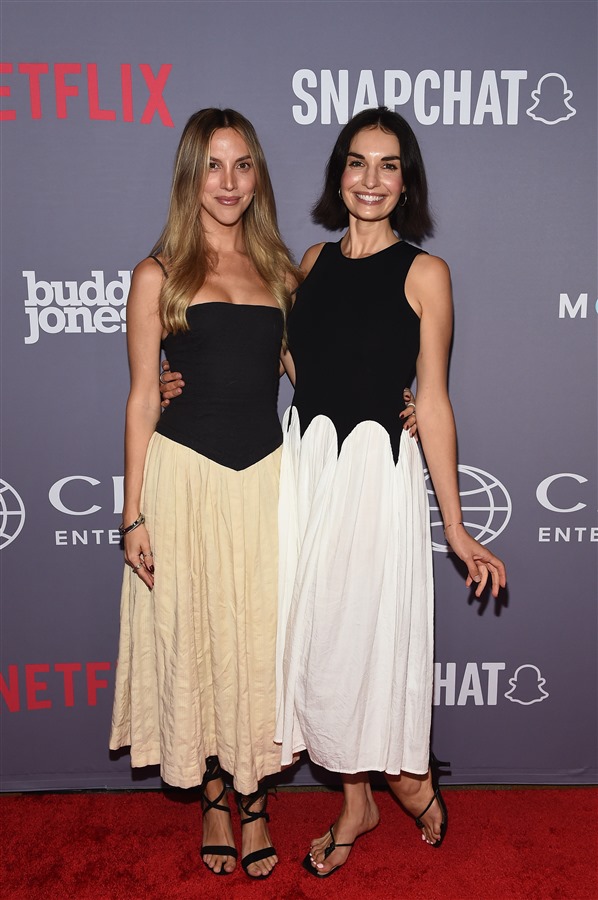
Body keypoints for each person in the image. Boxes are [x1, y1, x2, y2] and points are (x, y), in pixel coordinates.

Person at [160, 106, 505, 877]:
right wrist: (173, 378)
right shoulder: (308, 263)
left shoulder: (426, 274)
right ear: (338, 175)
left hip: (373, 475)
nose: (371, 179)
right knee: (313, 637)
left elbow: (435, 401)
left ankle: (401, 781)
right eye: (357, 162)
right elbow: (280, 355)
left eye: (389, 165)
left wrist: (455, 527)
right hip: (305, 469)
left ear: (406, 182)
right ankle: (358, 798)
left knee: (360, 636)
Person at [109, 107, 303, 880]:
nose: (228, 183)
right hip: (184, 477)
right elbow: (140, 398)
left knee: (257, 638)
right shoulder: (156, 273)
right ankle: (217, 795)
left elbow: (315, 377)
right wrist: (133, 514)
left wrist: (403, 400)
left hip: (266, 482)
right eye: (213, 166)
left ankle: (255, 796)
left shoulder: (283, 273)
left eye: (242, 165)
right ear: (190, 177)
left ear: (258, 177)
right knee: (197, 635)